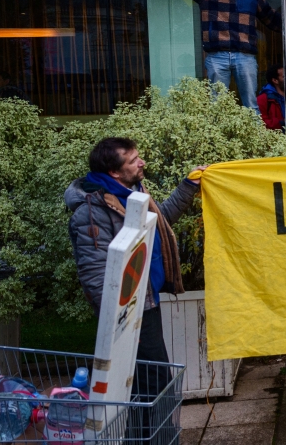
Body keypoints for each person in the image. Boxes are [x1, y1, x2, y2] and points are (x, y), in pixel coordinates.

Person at [66, 138, 204, 416]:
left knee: (149, 383)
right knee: (153, 384)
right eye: (133, 160)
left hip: (146, 303)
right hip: (130, 313)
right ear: (115, 172)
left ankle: (147, 436)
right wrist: (123, 324)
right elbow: (94, 276)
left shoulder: (131, 192)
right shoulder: (91, 211)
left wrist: (188, 187)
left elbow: (158, 222)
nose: (141, 163)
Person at [141, 0, 280, 111]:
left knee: (251, 106)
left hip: (245, 57)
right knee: (217, 108)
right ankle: (218, 139)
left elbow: (274, 21)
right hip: (217, 57)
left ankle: (257, 138)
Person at [256, 64, 286, 130]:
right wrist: (281, 122)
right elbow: (260, 123)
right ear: (275, 80)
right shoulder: (263, 99)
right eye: (284, 76)